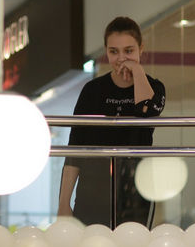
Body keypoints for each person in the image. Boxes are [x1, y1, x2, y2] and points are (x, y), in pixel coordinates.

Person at [58, 16, 166, 228]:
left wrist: (137, 71)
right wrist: (63, 203)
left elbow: (146, 111)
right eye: (113, 51)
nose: (121, 59)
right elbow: (75, 149)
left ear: (140, 49)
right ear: (106, 51)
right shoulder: (93, 91)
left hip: (136, 191)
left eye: (129, 51)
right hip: (93, 189)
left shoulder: (155, 87)